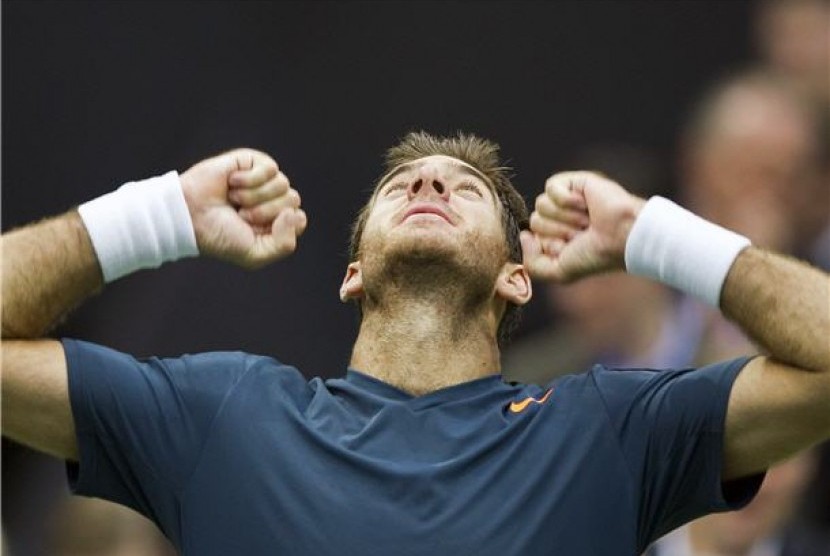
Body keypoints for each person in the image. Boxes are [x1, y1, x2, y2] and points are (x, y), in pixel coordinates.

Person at [2, 132, 828, 555]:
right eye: (404, 185)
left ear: (516, 276)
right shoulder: (221, 410)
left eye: (462, 188)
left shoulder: (610, 428)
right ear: (354, 273)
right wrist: (157, 217)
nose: (431, 182)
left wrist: (655, 237)